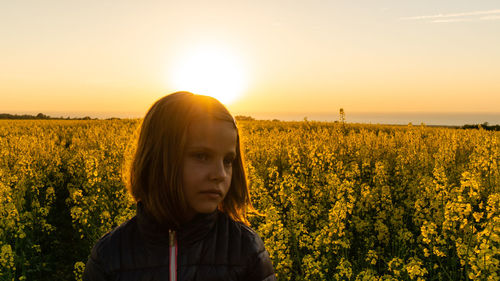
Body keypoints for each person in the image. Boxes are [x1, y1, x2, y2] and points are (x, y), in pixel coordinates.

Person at [83, 91, 276, 281]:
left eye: (228, 160)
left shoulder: (245, 250)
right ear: (158, 159)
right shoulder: (109, 256)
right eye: (202, 156)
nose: (220, 174)